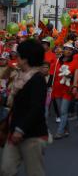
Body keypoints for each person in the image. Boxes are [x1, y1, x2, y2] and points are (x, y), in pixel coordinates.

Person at [1, 40, 48, 176]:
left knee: (34, 172)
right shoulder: (18, 76)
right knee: (6, 169)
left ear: (25, 59)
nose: (16, 58)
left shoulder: (37, 79)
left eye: (19, 55)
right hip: (13, 130)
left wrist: (20, 130)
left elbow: (36, 108)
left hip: (33, 134)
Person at [52, 42, 78, 139]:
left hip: (67, 89)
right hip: (56, 88)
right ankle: (66, 129)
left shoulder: (75, 62)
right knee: (61, 111)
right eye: (66, 49)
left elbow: (76, 76)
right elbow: (53, 74)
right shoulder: (57, 61)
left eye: (70, 49)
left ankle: (59, 132)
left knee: (64, 111)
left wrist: (75, 86)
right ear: (63, 50)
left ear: (72, 51)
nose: (68, 51)